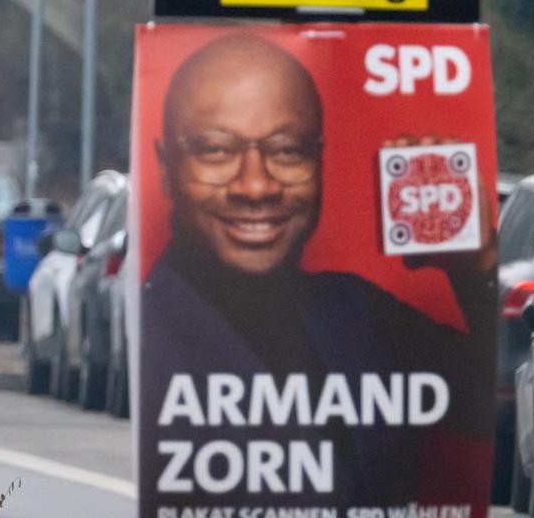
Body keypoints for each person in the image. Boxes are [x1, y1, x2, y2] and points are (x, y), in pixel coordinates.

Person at [140, 34, 494, 508]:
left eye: (287, 151)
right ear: (167, 169)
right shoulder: (140, 335)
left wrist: (477, 267)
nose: (256, 185)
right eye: (217, 150)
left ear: (319, 161)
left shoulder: (355, 312)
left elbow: (489, 407)